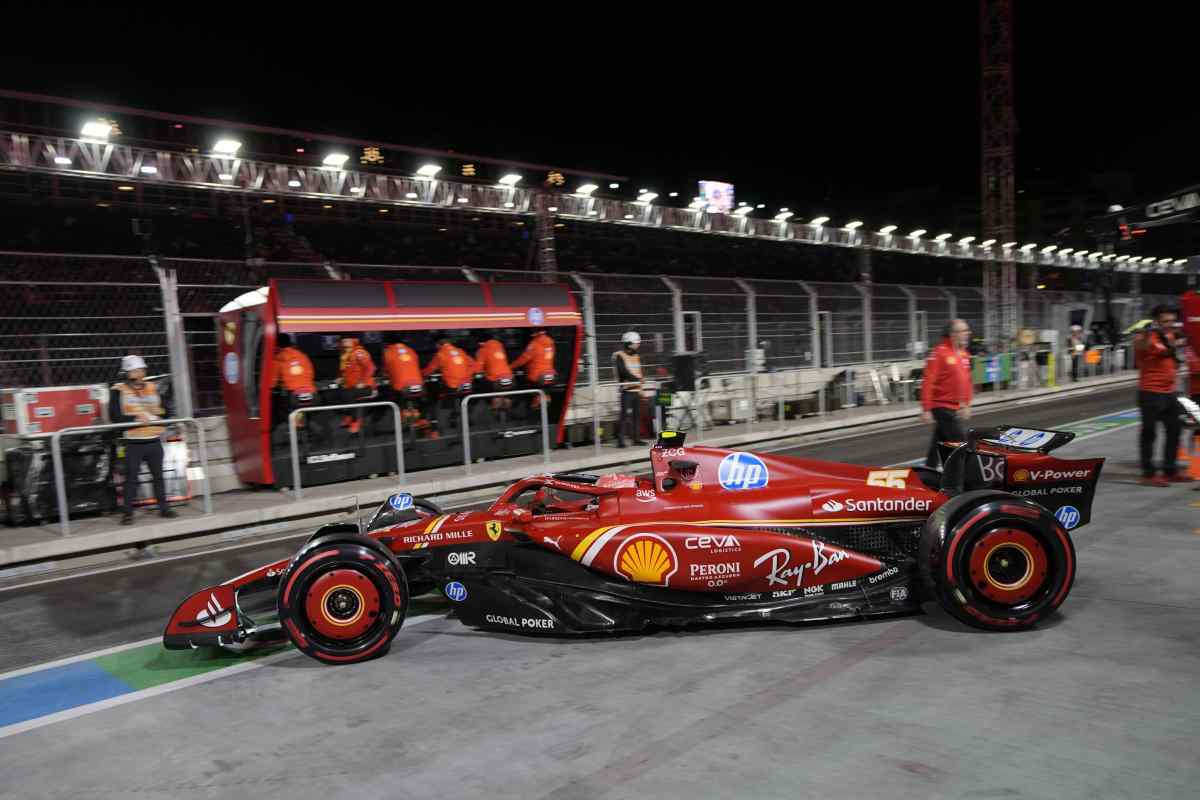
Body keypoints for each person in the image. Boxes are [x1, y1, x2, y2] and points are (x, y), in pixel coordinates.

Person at [109, 354, 177, 524]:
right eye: (135, 371)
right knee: (131, 478)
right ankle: (128, 514)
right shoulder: (118, 391)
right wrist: (135, 420)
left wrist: (163, 412)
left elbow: (164, 410)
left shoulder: (152, 388)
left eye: (141, 370)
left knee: (158, 476)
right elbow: (115, 416)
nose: (139, 374)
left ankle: (164, 508)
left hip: (153, 439)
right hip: (133, 441)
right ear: (126, 373)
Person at [1134, 305, 1188, 486]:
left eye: (1172, 321)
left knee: (1175, 431)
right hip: (1150, 392)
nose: (1169, 325)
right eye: (1165, 321)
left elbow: (1176, 354)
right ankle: (1148, 474)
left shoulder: (1172, 335)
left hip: (1170, 392)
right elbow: (1146, 347)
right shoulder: (1146, 336)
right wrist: (1146, 334)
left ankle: (1170, 470)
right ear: (1156, 321)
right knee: (1149, 434)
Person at [921, 319, 973, 467]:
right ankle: (960, 480)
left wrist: (966, 404)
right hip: (941, 406)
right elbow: (928, 381)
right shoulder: (939, 353)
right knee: (961, 444)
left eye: (967, 330)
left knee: (938, 444)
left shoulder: (964, 354)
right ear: (953, 334)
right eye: (963, 330)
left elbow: (967, 381)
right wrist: (926, 409)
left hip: (954, 406)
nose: (967, 333)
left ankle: (928, 472)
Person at [337, 336, 376, 434]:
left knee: (348, 394)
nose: (345, 342)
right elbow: (349, 372)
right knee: (339, 393)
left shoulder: (359, 353)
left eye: (347, 340)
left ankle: (355, 420)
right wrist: (341, 379)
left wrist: (362, 382)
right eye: (343, 340)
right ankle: (349, 416)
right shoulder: (345, 354)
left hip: (367, 387)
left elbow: (371, 368)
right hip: (352, 387)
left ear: (354, 341)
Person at [613, 331, 645, 447]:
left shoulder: (636, 356)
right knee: (624, 416)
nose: (638, 345)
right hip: (626, 390)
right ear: (629, 343)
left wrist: (641, 388)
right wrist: (636, 379)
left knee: (637, 416)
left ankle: (636, 439)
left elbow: (639, 372)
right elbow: (623, 371)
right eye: (636, 343)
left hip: (636, 390)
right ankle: (620, 441)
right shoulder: (619, 356)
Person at [511, 328, 557, 407]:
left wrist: (511, 366)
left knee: (534, 392)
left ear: (535, 332)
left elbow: (523, 359)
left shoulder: (534, 344)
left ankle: (534, 410)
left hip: (537, 376)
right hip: (550, 375)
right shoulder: (550, 341)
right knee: (546, 392)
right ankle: (546, 410)